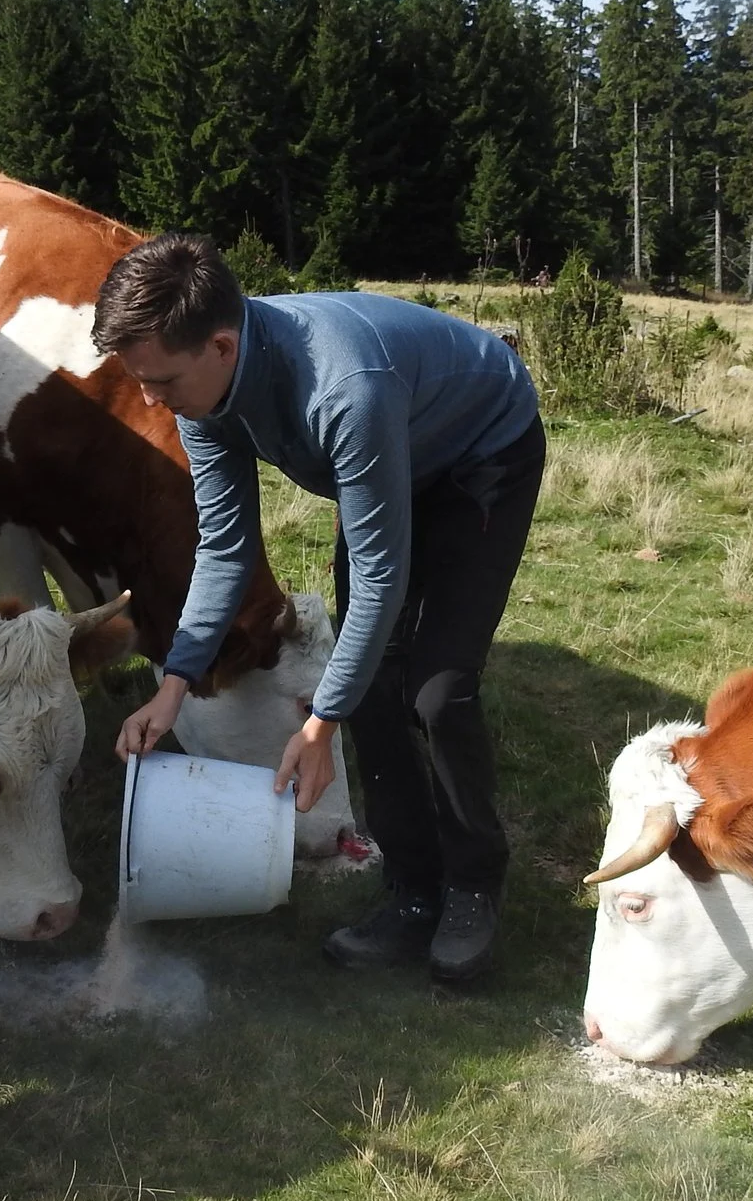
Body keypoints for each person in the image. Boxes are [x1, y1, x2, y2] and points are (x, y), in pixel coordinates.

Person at [101, 235, 545, 981]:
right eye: (140, 381)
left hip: (480, 452)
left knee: (436, 686)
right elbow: (226, 549)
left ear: (220, 344)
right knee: (368, 681)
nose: (152, 400)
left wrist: (316, 726)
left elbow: (379, 582)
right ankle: (411, 892)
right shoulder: (199, 395)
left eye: (163, 381)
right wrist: (172, 689)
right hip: (391, 450)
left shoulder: (343, 386)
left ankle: (473, 883)